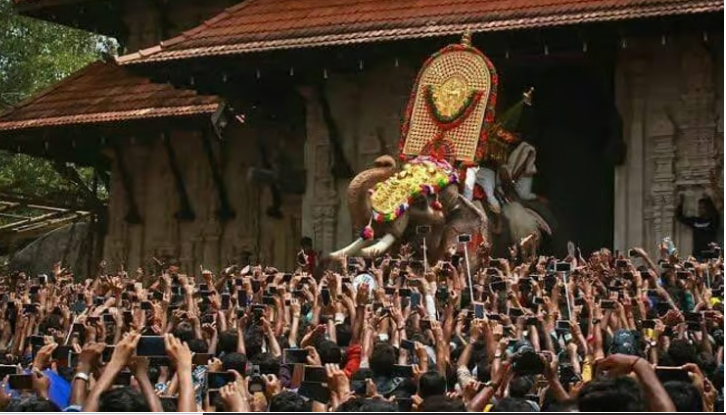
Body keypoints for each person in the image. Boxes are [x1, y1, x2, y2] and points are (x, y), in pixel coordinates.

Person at [676, 194, 720, 259]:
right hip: (698, 254)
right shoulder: (695, 221)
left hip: (711, 254)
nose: (700, 210)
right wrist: (681, 203)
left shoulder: (713, 221)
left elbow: (715, 214)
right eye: (699, 208)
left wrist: (709, 199)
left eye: (703, 208)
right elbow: (680, 217)